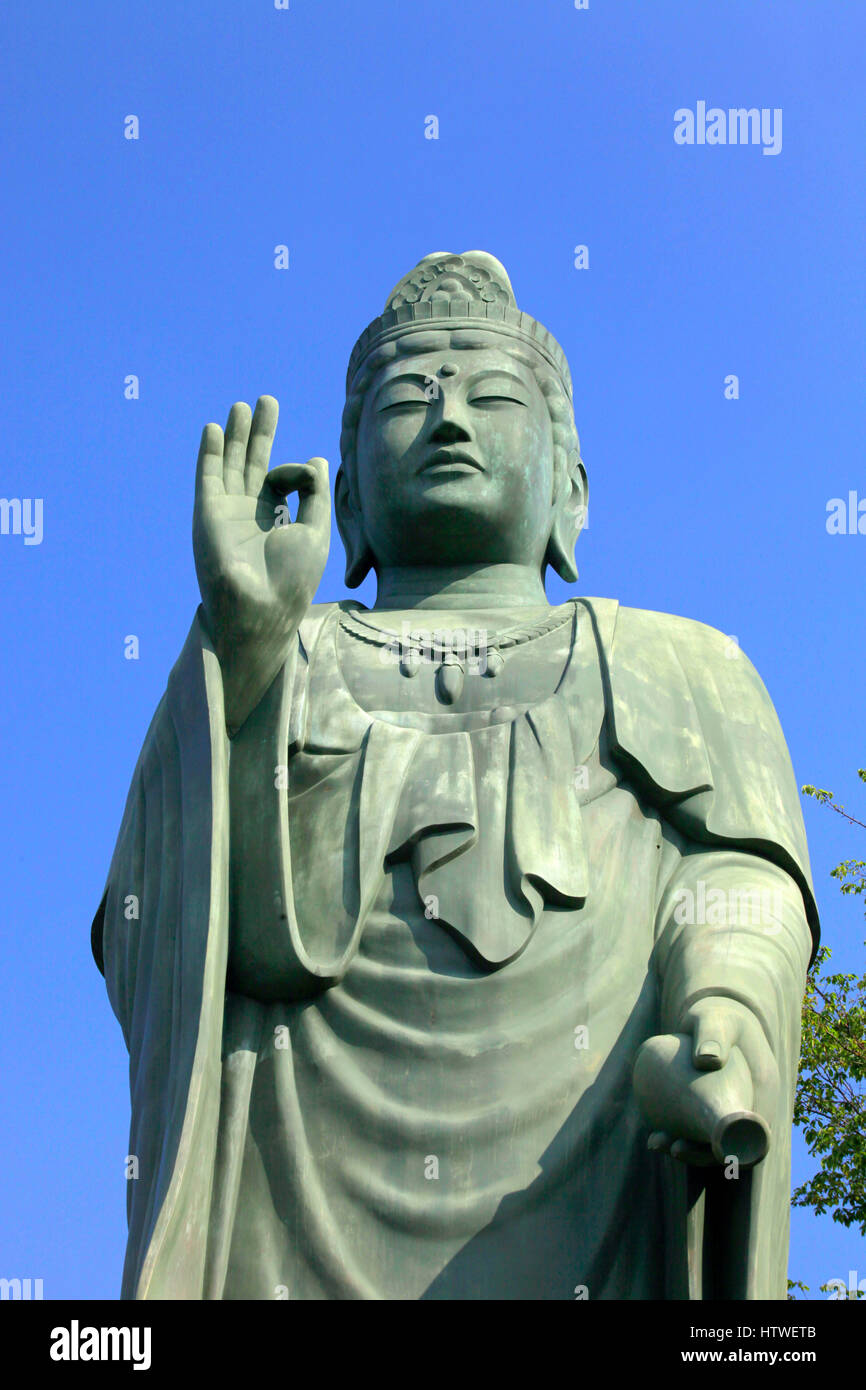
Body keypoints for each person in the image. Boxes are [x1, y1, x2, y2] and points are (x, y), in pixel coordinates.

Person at [93, 251, 817, 1299]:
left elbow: (739, 887)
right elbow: (173, 938)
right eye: (404, 402)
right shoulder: (266, 661)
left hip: (600, 1205)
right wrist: (241, 657)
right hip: (280, 1230)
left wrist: (726, 1010)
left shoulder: (683, 664)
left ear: (569, 483)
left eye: (492, 398)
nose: (446, 423)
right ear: (345, 495)